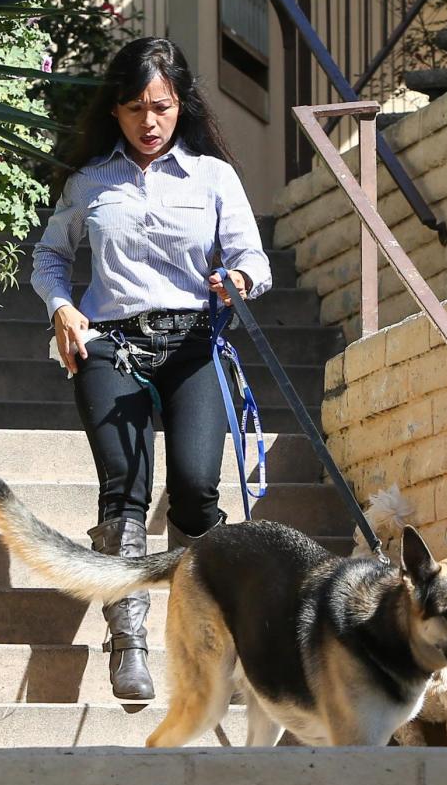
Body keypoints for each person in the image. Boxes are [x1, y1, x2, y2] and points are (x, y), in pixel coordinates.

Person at [31, 36, 271, 701]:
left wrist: (238, 278)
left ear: (180, 105)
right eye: (135, 107)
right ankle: (128, 643)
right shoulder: (89, 181)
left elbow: (253, 257)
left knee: (195, 489)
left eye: (160, 107)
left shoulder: (213, 178)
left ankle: (210, 629)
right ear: (114, 110)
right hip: (109, 345)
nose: (148, 121)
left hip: (193, 342)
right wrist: (61, 307)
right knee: (124, 489)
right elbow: (50, 257)